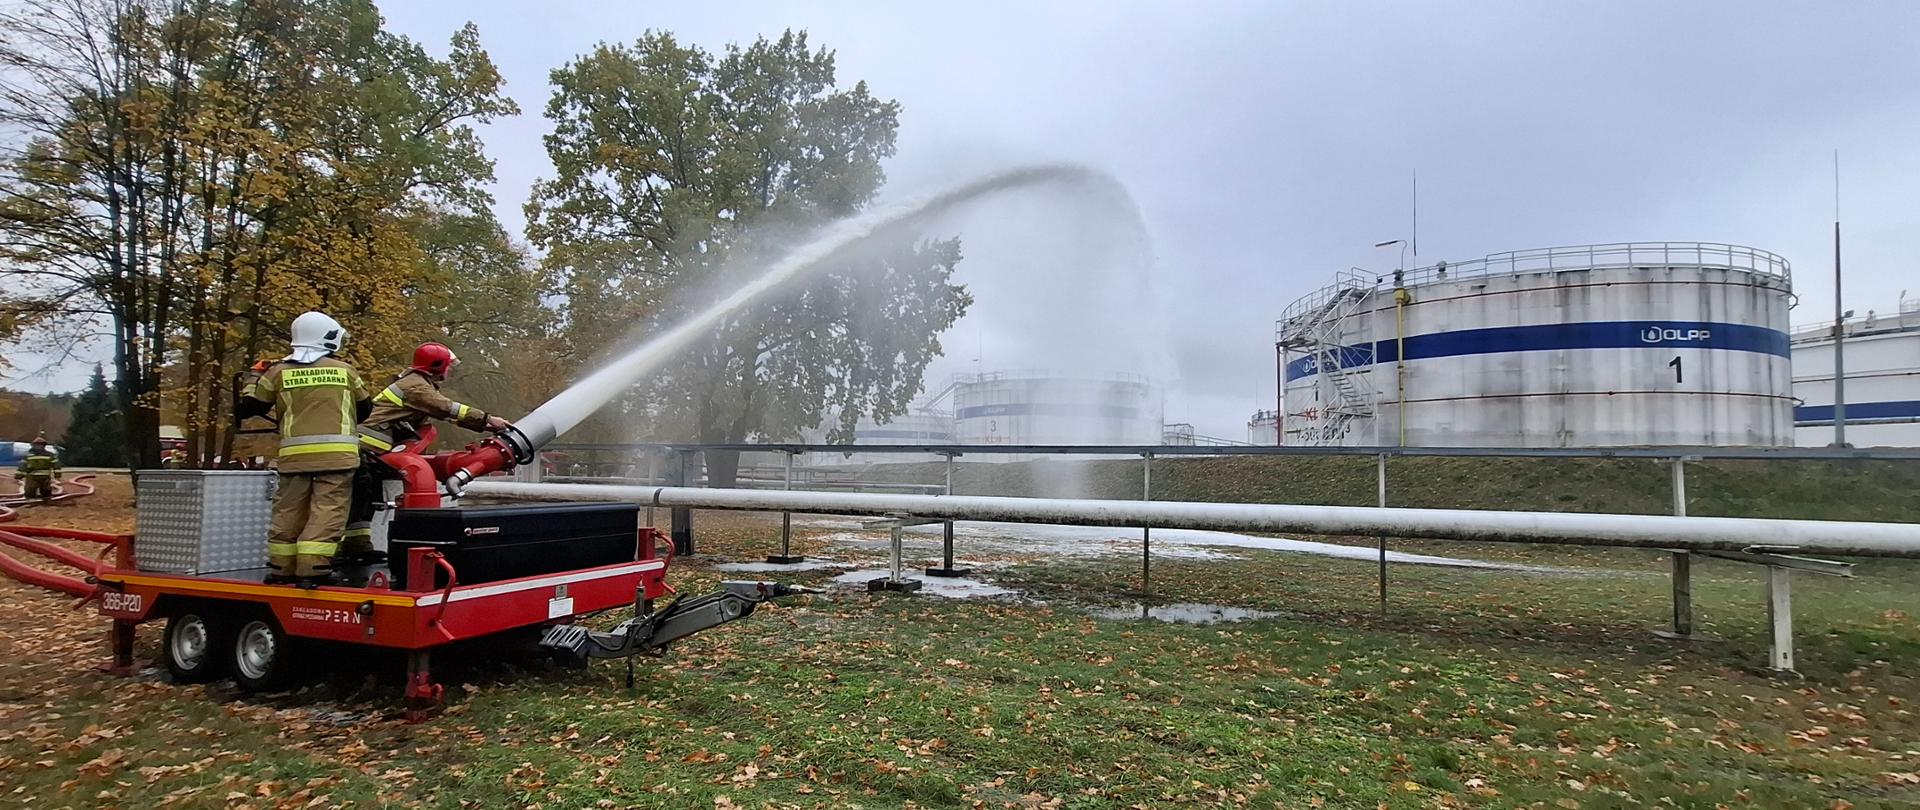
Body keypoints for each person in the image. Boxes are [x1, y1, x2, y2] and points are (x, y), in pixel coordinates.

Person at [235, 311, 370, 586]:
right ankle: (313, 568)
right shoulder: (344, 371)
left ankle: (281, 569)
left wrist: (253, 375)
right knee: (327, 510)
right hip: (337, 458)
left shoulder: (277, 372)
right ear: (329, 338)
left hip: (294, 459)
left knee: (288, 511)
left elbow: (249, 407)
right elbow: (365, 409)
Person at [344, 342, 511, 562]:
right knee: (361, 496)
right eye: (447, 366)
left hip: (370, 448)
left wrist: (484, 426)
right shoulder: (416, 387)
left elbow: (447, 415)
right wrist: (489, 419)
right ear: (437, 365)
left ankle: (358, 546)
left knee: (365, 497)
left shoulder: (418, 384)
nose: (449, 370)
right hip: (367, 446)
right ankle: (354, 547)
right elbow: (449, 408)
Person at [13, 435, 61, 503]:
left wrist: (57, 475)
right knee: (30, 489)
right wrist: (18, 476)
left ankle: (46, 500)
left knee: (45, 490)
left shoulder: (49, 455)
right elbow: (23, 467)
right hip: (32, 477)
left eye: (40, 445)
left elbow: (56, 466)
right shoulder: (29, 455)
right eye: (37, 445)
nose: (38, 446)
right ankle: (32, 501)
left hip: (43, 477)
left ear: (44, 446)